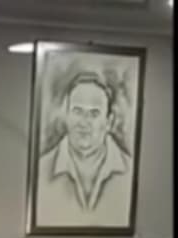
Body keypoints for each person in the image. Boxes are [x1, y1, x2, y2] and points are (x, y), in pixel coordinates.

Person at [35, 72, 134, 228]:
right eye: (77, 111)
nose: (84, 122)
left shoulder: (132, 173)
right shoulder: (39, 171)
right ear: (66, 116)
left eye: (94, 113)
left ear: (109, 122)